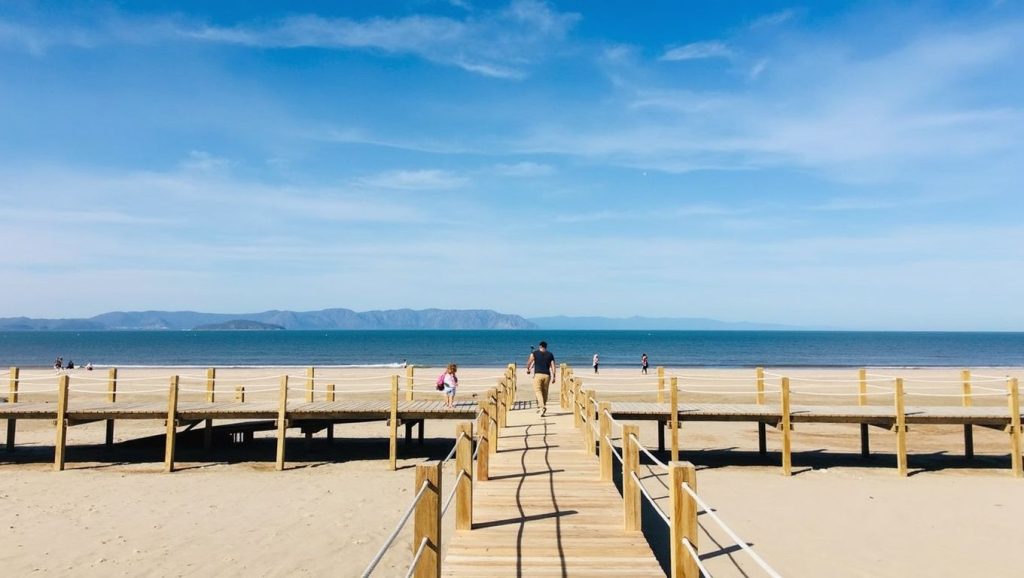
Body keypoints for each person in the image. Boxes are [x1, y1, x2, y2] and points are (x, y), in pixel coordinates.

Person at [527, 341, 556, 417]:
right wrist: (554, 376)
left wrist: (528, 369)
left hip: (538, 374)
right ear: (546, 347)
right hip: (547, 375)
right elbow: (553, 366)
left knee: (538, 391)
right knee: (545, 392)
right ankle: (542, 408)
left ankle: (542, 407)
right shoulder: (550, 354)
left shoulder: (535, 353)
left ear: (540, 346)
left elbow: (529, 362)